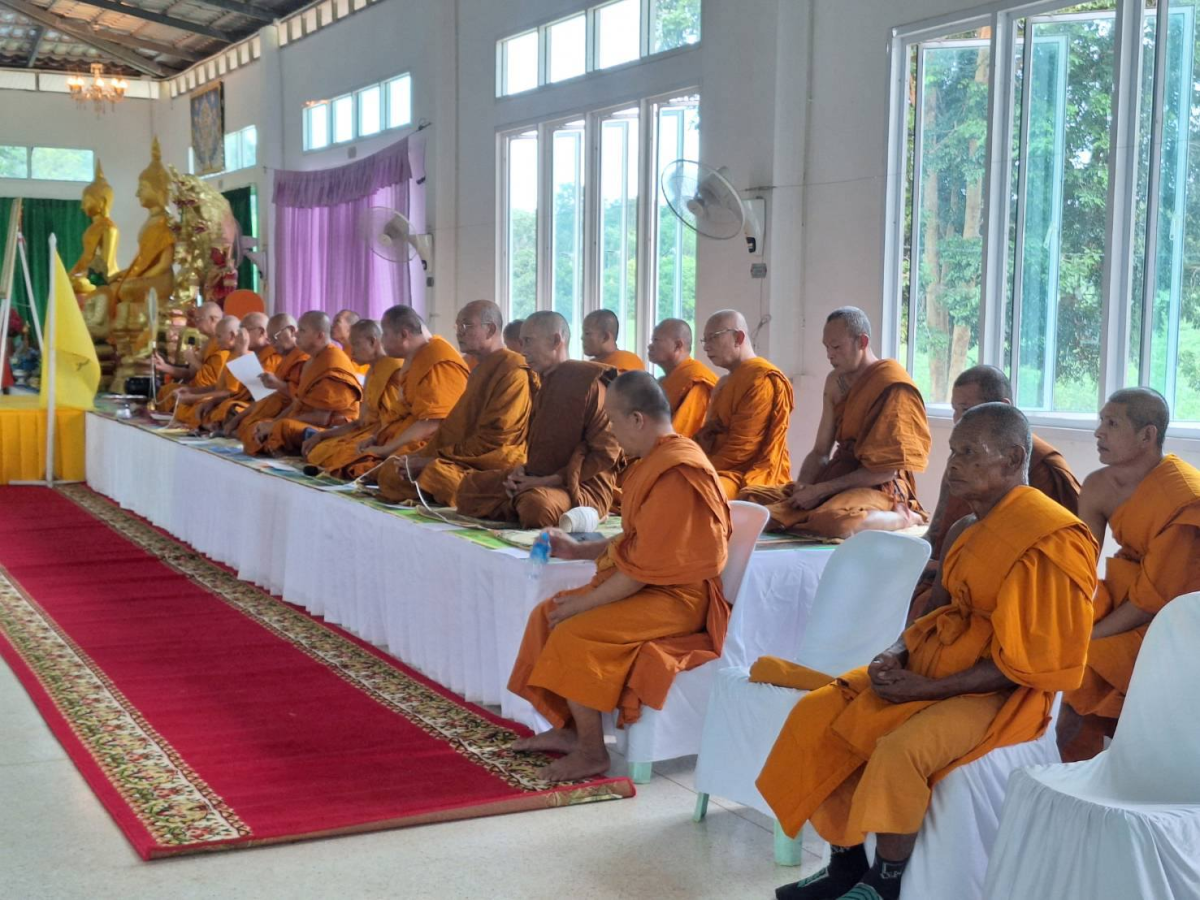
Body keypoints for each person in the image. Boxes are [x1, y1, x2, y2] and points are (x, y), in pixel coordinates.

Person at [757, 403, 1097, 900]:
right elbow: (929, 615)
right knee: (818, 712)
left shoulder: (1050, 539)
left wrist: (930, 688)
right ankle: (846, 863)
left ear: (1012, 457)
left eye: (968, 453)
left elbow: (1034, 665)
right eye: (953, 451)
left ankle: (885, 882)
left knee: (901, 749)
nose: (952, 464)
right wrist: (893, 653)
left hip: (1002, 694)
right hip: (933, 671)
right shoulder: (965, 529)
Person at [507, 371, 732, 781]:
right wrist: (578, 550)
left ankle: (593, 753)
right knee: (548, 613)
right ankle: (571, 731)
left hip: (678, 600)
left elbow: (646, 567)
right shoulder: (657, 462)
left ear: (638, 420)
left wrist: (584, 603)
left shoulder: (678, 472)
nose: (610, 430)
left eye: (612, 419)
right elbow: (636, 544)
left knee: (572, 629)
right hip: (649, 584)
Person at [1058, 387, 1200, 760]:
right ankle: (1073, 765)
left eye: (1112, 423)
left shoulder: (1184, 496)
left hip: (1176, 614)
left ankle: (1111, 767)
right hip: (1126, 594)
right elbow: (1078, 566)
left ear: (1147, 435)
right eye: (1099, 421)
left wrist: (1085, 636)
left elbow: (1153, 602)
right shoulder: (1098, 486)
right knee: (1052, 641)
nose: (1098, 432)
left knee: (1082, 660)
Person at [740, 307, 930, 538]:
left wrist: (821, 491)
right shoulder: (834, 382)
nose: (830, 354)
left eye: (837, 347)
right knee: (748, 500)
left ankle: (904, 516)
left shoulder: (892, 383)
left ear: (862, 341)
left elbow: (885, 471)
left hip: (878, 486)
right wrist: (804, 488)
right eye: (826, 347)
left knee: (835, 523)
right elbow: (821, 451)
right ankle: (809, 510)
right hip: (839, 475)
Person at [909, 364, 1081, 620]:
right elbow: (936, 534)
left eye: (967, 410)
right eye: (955, 411)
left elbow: (1057, 560)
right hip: (950, 578)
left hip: (1004, 598)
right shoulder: (960, 466)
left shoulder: (1044, 468)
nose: (958, 420)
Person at [456, 311, 622, 527]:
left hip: (581, 486)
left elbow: (606, 453)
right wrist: (522, 473)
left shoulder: (589, 383)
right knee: (468, 487)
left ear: (555, 341)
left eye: (528, 342)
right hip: (538, 479)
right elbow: (542, 450)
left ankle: (533, 505)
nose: (523, 351)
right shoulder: (543, 383)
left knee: (536, 506)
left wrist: (550, 480)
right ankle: (519, 500)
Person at [377, 300, 535, 505]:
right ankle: (434, 487)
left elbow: (498, 440)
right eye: (457, 326)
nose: (459, 332)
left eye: (466, 326)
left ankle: (445, 490)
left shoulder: (513, 370)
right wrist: (426, 456)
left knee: (437, 474)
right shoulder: (476, 367)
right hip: (462, 457)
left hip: (494, 460)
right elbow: (459, 426)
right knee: (393, 469)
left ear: (490, 329)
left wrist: (435, 459)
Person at [331, 305, 470, 480]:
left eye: (386, 335)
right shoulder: (415, 357)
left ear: (404, 335)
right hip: (403, 433)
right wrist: (377, 437)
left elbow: (432, 424)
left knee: (384, 469)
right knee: (350, 454)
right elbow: (401, 411)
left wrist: (384, 449)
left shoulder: (437, 360)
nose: (382, 341)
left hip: (432, 441)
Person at [692, 309, 793, 499]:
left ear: (738, 337)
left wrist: (700, 469)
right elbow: (709, 436)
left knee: (697, 491)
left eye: (712, 338)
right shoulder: (723, 383)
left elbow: (742, 450)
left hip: (747, 474)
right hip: (718, 467)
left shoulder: (761, 379)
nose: (706, 347)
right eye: (704, 340)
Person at [241, 311, 362, 456]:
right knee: (258, 427)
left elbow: (321, 417)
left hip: (333, 427)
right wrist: (272, 422)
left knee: (282, 427)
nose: (297, 335)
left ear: (319, 336)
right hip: (307, 421)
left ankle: (296, 445)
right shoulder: (312, 360)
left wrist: (275, 425)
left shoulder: (332, 362)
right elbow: (298, 402)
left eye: (302, 330)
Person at [302, 319, 406, 477]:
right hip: (367, 432)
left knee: (351, 454)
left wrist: (374, 440)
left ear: (372, 341)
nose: (351, 352)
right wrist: (322, 435)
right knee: (320, 449)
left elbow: (395, 421)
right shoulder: (372, 371)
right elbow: (361, 421)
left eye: (356, 345)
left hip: (387, 436)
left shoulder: (394, 368)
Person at [225, 314, 308, 440]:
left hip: (292, 416)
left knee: (260, 429)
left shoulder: (304, 359)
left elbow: (302, 401)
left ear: (291, 331)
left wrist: (273, 423)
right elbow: (266, 397)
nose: (273, 344)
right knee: (244, 422)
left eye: (275, 338)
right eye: (270, 339)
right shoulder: (286, 360)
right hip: (271, 411)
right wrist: (236, 420)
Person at [196, 312, 279, 432]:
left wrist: (243, 353)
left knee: (232, 410)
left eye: (243, 332)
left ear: (261, 332)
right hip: (248, 404)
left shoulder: (274, 356)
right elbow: (240, 392)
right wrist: (214, 400)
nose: (239, 337)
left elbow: (263, 394)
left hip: (264, 408)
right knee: (217, 406)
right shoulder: (255, 355)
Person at [647, 318, 718, 438]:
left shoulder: (696, 380)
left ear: (677, 345)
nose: (650, 346)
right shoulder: (663, 381)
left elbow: (681, 435)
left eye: (656, 340)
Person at [171, 315, 240, 427]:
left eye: (219, 337)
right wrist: (192, 391)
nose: (216, 342)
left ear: (232, 335)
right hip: (219, 400)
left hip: (232, 405)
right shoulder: (230, 355)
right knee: (188, 408)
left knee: (218, 411)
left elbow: (230, 393)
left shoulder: (241, 357)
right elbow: (218, 386)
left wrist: (193, 398)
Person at [153, 301, 223, 408]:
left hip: (210, 393)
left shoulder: (224, 345)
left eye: (199, 320)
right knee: (168, 390)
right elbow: (190, 374)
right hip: (196, 389)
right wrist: (164, 366)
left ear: (212, 319)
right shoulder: (207, 344)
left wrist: (193, 360)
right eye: (195, 320)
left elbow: (216, 382)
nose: (196, 324)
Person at [331, 308, 370, 377]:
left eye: (337, 321)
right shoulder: (339, 353)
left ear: (351, 327)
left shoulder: (364, 354)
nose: (332, 326)